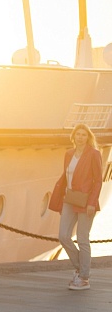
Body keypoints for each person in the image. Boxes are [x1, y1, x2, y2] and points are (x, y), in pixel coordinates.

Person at [48, 122, 102, 291]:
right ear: (73, 136)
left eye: (83, 135)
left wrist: (92, 202)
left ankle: (84, 278)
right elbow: (66, 177)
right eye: (78, 134)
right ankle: (81, 268)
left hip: (86, 201)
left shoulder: (94, 154)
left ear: (88, 137)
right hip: (69, 199)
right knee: (63, 236)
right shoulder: (69, 154)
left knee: (82, 238)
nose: (80, 137)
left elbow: (98, 181)